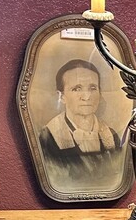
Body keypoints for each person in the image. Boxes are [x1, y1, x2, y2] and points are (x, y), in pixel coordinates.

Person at [39, 59, 124, 192]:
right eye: (77, 89)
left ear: (100, 93)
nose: (86, 97)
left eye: (92, 88)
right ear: (61, 96)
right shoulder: (47, 137)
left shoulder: (111, 136)